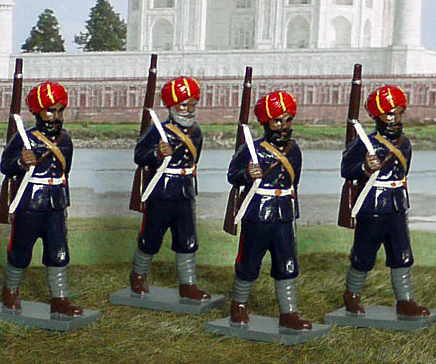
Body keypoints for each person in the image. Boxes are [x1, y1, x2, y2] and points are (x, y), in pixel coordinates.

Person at [340, 84, 429, 318]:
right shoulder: (364, 144)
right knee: (363, 254)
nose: (396, 119)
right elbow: (346, 170)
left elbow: (404, 170)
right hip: (372, 205)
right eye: (390, 113)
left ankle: (405, 301)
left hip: (397, 204)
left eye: (400, 113)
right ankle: (352, 295)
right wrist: (364, 167)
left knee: (402, 254)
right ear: (377, 116)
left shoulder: (405, 143)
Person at [227, 91, 312, 330]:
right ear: (266, 122)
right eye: (277, 120)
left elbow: (293, 182)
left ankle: (288, 313)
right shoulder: (252, 150)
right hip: (258, 213)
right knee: (249, 262)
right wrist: (247, 174)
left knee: (287, 264)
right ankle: (239, 306)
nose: (283, 126)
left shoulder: (294, 151)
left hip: (284, 213)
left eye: (288, 119)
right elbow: (232, 175)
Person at [0, 81, 83, 317]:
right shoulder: (24, 139)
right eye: (49, 110)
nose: (55, 116)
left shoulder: (65, 141)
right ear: (37, 112)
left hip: (56, 203)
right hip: (29, 204)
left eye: (59, 110)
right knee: (20, 250)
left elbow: (64, 172)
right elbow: (5, 166)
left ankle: (59, 299)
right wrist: (21, 162)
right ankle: (11, 292)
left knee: (58, 252)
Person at [129, 76, 210, 302]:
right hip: (161, 191)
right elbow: (139, 156)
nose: (189, 110)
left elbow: (193, 162)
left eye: (192, 104)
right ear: (171, 107)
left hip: (184, 191)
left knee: (187, 239)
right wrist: (156, 153)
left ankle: (188, 284)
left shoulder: (196, 133)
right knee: (151, 236)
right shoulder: (157, 131)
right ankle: (138, 274)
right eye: (183, 105)